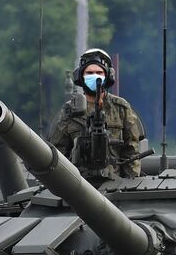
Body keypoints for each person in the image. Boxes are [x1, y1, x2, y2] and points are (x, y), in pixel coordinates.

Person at [48, 49, 146, 180]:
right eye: (89, 73)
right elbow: (59, 152)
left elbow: (131, 151)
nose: (95, 76)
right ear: (80, 77)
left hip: (116, 185)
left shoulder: (121, 108)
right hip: (79, 186)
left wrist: (129, 186)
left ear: (108, 76)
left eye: (99, 73)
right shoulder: (70, 110)